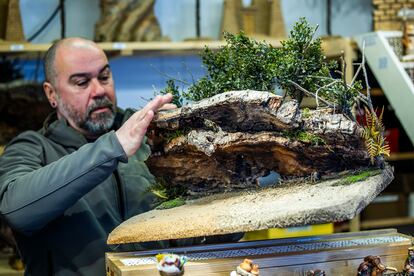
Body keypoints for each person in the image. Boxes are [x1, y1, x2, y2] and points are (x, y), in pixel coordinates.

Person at [0, 37, 241, 275]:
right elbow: (16, 212)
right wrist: (114, 146)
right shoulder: (32, 147)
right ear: (51, 94)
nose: (99, 91)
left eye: (104, 77)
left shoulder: (148, 135)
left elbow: (190, 239)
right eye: (82, 82)